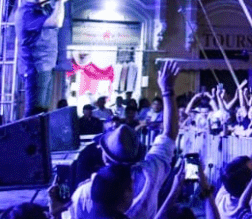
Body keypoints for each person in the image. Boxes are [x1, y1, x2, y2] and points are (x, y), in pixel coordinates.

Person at [69, 60, 180, 219]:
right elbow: (170, 133)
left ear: (105, 156)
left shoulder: (83, 194)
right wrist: (167, 90)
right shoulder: (151, 173)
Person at [16, 0, 106, 113]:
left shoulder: (43, 1)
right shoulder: (27, 14)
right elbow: (56, 22)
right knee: (34, 112)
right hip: (35, 68)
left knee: (42, 111)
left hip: (45, 66)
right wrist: (59, 2)